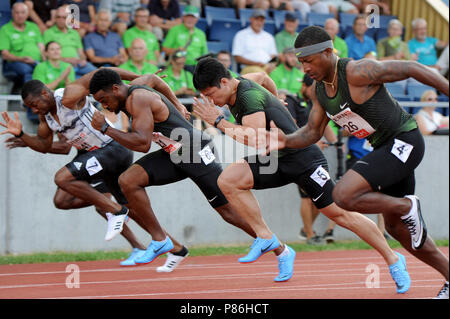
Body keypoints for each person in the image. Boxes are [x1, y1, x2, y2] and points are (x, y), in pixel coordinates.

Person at [192, 57, 411, 290]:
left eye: (211, 94)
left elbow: (255, 138)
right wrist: (275, 99)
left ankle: (394, 259)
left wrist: (218, 121)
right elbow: (264, 77)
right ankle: (270, 240)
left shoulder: (248, 97)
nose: (210, 101)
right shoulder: (245, 80)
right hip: (277, 159)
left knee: (340, 215)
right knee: (228, 180)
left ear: (225, 82)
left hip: (304, 159)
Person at [265, 25, 450, 298]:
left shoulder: (356, 71)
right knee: (400, 230)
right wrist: (284, 141)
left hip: (404, 141)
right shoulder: (320, 90)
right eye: (300, 62)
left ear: (328, 52)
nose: (304, 68)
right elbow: (312, 132)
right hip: (384, 151)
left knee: (343, 194)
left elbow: (412, 67)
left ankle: (406, 205)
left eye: (308, 60)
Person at [87, 68, 261, 272]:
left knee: (227, 211)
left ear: (116, 89)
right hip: (175, 153)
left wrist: (106, 129)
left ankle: (274, 244)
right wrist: (177, 103)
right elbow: (153, 78)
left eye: (103, 99)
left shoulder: (137, 99)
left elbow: (142, 143)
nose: (103, 105)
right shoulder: (135, 86)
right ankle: (161, 240)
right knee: (128, 180)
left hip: (195, 151)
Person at [0, 2, 44, 91]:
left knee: (45, 68)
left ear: (27, 14)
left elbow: (41, 47)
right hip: (15, 63)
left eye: (22, 12)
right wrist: (22, 59)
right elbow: (5, 54)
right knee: (26, 70)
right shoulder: (5, 29)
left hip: (35, 62)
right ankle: (30, 100)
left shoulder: (34, 27)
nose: (20, 15)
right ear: (12, 14)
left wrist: (44, 62)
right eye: (17, 12)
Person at [43, 6, 97, 78]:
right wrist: (68, 60)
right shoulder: (48, 33)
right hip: (61, 65)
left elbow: (80, 52)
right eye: (58, 17)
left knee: (99, 73)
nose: (61, 20)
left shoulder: (74, 33)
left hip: (78, 64)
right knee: (78, 83)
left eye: (64, 17)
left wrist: (83, 60)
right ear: (55, 18)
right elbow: (47, 55)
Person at [162, 5, 208, 72]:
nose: (190, 20)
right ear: (183, 17)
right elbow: (164, 49)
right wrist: (176, 50)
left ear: (197, 19)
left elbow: (204, 55)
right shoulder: (175, 30)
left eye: (193, 17)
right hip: (178, 65)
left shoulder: (201, 34)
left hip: (196, 67)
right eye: (187, 17)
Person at [232, 9, 278, 74]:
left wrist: (270, 65)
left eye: (261, 20)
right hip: (249, 67)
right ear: (251, 19)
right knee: (260, 74)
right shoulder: (241, 35)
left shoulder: (269, 36)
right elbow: (237, 57)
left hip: (266, 66)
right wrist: (255, 63)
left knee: (278, 72)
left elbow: (273, 55)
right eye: (256, 19)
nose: (259, 23)